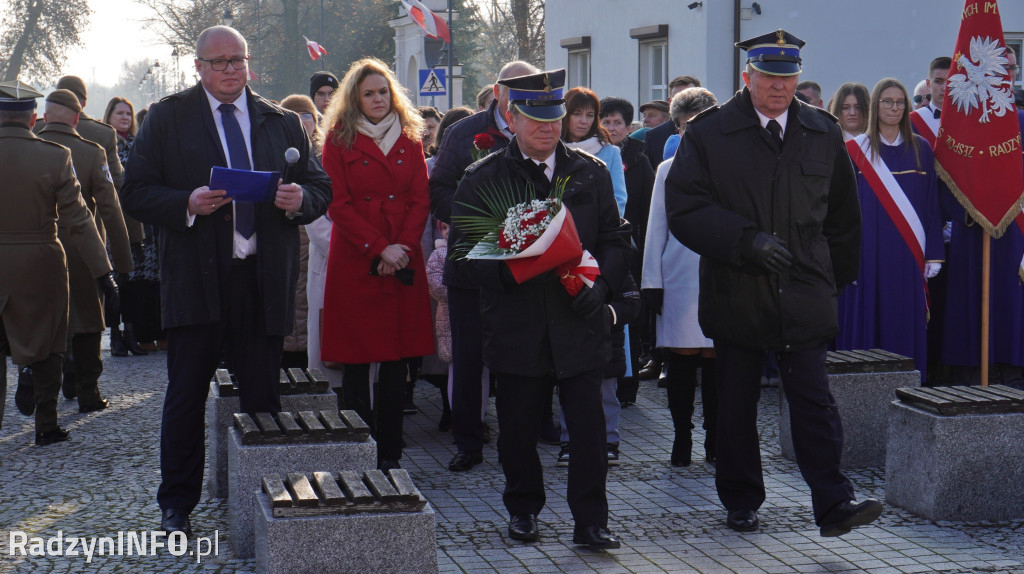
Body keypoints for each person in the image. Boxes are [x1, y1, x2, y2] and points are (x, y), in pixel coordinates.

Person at [664, 30, 882, 538]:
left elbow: (844, 217)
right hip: (738, 286)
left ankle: (834, 503)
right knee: (736, 404)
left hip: (804, 288)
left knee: (814, 401)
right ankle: (740, 500)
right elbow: (686, 210)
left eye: (788, 78)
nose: (780, 88)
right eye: (769, 77)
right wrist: (746, 241)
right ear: (748, 77)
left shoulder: (821, 131)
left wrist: (835, 278)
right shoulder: (710, 133)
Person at [121, 25, 332, 538]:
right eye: (218, 62)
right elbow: (136, 192)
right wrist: (186, 203)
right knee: (186, 394)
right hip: (195, 277)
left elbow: (318, 185)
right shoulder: (170, 118)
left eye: (237, 59)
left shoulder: (280, 120)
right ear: (199, 66)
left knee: (262, 394)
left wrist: (299, 200)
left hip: (260, 278)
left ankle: (265, 498)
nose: (230, 69)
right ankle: (177, 503)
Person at [449, 68, 629, 550]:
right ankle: (523, 509)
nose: (548, 128)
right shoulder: (483, 178)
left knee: (589, 434)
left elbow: (614, 239)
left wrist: (605, 286)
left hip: (579, 322)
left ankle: (591, 521)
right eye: (536, 119)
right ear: (511, 115)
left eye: (555, 118)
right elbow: (460, 258)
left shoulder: (591, 172)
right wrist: (511, 271)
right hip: (517, 325)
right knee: (518, 431)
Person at [319, 57, 435, 472]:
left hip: (402, 259)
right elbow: (338, 203)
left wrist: (400, 248)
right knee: (356, 360)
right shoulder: (338, 139)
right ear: (355, 99)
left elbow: (421, 198)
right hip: (357, 258)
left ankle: (390, 451)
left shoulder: (410, 136)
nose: (377, 99)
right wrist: (378, 248)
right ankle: (358, 448)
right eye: (368, 93)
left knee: (395, 359)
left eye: (383, 91)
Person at [429, 60, 539, 473]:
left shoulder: (539, 128)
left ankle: (526, 432)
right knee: (469, 356)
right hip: (471, 262)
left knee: (521, 355)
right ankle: (468, 441)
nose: (522, 101)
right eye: (515, 91)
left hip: (523, 266)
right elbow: (438, 187)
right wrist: (471, 219)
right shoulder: (463, 132)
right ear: (497, 91)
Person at [0, 80, 115, 445]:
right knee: (50, 341)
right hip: (42, 259)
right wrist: (105, 273)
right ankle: (46, 425)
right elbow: (79, 221)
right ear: (33, 118)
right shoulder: (55, 156)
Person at [836, 78, 944, 382]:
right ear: (875, 106)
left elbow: (931, 207)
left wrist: (933, 254)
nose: (894, 108)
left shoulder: (921, 149)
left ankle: (906, 389)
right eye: (887, 101)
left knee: (903, 324)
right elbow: (839, 210)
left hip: (907, 255)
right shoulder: (854, 150)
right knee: (864, 324)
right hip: (864, 254)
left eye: (900, 102)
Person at [37, 89, 134, 411]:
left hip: (35, 246)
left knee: (43, 318)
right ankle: (88, 390)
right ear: (78, 117)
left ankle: (44, 385)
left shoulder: (26, 143)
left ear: (44, 115)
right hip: (82, 245)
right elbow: (111, 208)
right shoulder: (92, 150)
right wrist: (122, 261)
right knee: (90, 317)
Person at [642, 87, 719, 467]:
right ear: (677, 128)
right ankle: (681, 436)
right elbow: (655, 229)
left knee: (717, 359)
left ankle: (716, 437)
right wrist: (650, 282)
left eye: (702, 123)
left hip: (722, 276)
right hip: (678, 277)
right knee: (682, 361)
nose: (694, 132)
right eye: (687, 126)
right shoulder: (666, 170)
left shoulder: (731, 165)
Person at [599, 96, 655, 403]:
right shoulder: (589, 152)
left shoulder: (639, 159)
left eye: (617, 122)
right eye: (605, 121)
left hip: (629, 245)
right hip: (601, 244)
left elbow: (646, 207)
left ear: (628, 126)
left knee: (628, 312)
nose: (611, 127)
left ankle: (628, 384)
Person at [102, 96, 151, 357]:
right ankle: (115, 335)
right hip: (113, 222)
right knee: (115, 281)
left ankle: (132, 333)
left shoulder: (138, 145)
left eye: (128, 114)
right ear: (108, 116)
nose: (124, 117)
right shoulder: (103, 145)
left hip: (138, 223)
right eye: (119, 113)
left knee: (135, 281)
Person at [279, 95, 322, 370]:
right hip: (287, 235)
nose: (302, 122)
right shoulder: (275, 148)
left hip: (315, 236)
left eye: (307, 116)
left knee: (308, 298)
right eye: (295, 116)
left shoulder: (322, 152)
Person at [561, 88, 627, 215]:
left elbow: (619, 199)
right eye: (577, 114)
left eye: (590, 115)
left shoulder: (610, 152)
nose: (584, 121)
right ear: (564, 114)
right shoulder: (552, 149)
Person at [646, 76, 702, 166]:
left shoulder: (711, 130)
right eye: (678, 99)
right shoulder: (654, 137)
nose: (684, 104)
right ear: (670, 101)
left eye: (690, 98)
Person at [909, 57, 950, 146]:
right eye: (938, 82)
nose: (944, 88)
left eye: (950, 81)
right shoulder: (912, 120)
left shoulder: (968, 119)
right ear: (928, 84)